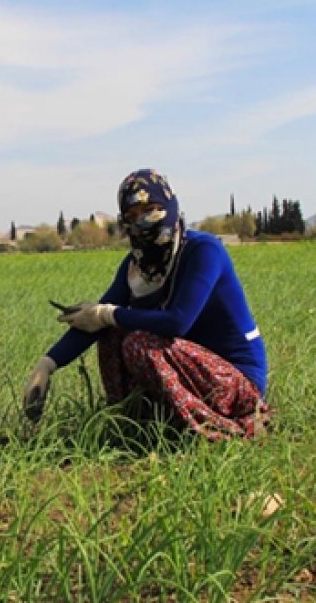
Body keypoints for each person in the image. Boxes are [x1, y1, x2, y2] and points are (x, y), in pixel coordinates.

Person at [23, 168, 268, 440]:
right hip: (193, 369)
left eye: (151, 209)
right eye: (131, 216)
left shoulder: (202, 251)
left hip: (237, 382)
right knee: (112, 331)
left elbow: (178, 320)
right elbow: (96, 319)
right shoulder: (136, 266)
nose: (142, 221)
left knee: (136, 341)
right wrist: (48, 364)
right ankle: (137, 426)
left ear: (169, 206)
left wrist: (108, 314)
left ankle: (227, 429)